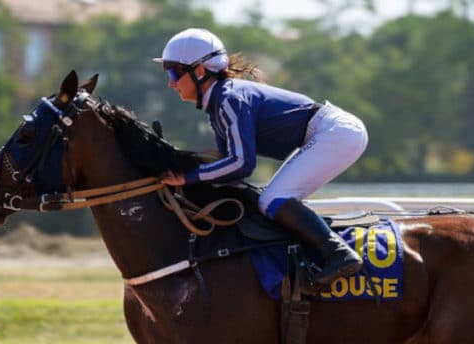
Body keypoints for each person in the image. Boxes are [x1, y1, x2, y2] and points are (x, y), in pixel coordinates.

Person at [154, 28, 367, 289]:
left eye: (174, 72)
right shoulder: (217, 104)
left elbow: (241, 164)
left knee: (272, 199)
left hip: (337, 132)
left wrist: (188, 178)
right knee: (269, 198)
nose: (171, 83)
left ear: (199, 71)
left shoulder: (228, 99)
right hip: (329, 132)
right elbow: (225, 163)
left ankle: (339, 254)